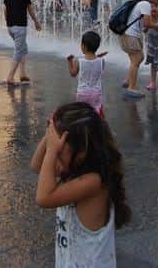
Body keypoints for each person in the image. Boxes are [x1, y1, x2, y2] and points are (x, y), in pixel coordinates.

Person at [31, 102, 130, 267]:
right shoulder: (74, 170)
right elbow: (37, 166)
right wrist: (49, 135)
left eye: (60, 150)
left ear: (82, 150)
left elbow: (43, 198)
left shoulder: (93, 182)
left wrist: (51, 150)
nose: (55, 154)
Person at [119, 0, 158, 98]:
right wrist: (157, 26)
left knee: (135, 59)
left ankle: (128, 81)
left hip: (127, 33)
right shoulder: (146, 4)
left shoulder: (141, 0)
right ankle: (131, 88)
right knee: (138, 58)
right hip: (130, 34)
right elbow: (146, 23)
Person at [4, 0, 42, 87]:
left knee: (23, 48)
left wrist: (7, 21)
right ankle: (10, 76)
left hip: (10, 26)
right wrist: (36, 21)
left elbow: (5, 9)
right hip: (20, 26)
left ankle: (22, 73)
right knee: (19, 51)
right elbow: (29, 9)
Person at [68, 31, 106, 116]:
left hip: (83, 93)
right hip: (96, 93)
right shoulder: (102, 61)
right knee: (96, 112)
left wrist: (70, 62)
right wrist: (98, 57)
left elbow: (73, 74)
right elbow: (95, 66)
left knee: (81, 113)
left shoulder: (78, 61)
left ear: (83, 46)